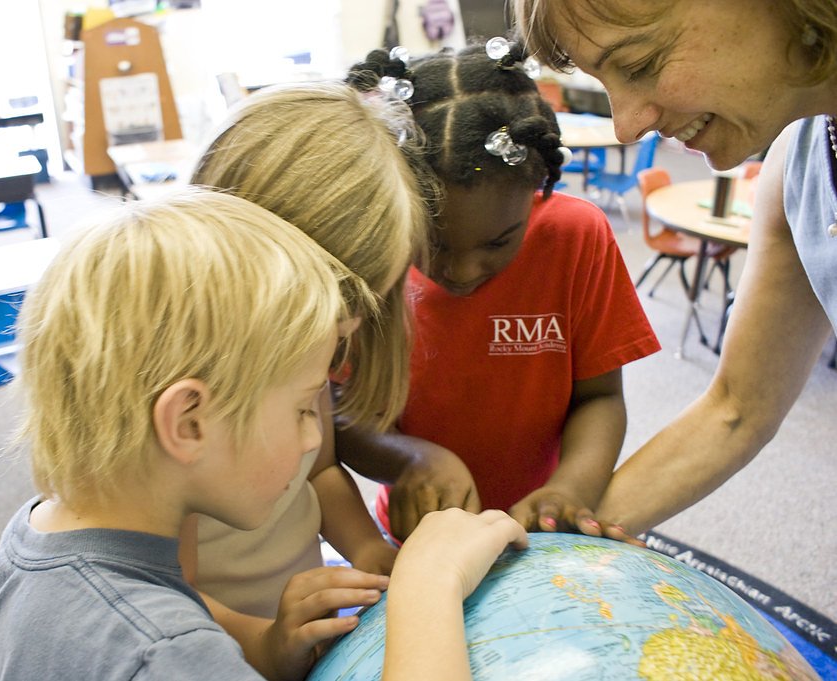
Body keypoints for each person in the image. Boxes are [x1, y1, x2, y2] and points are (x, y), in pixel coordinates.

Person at [0, 188, 528, 681]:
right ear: (189, 423)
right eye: (303, 408)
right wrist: (428, 584)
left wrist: (264, 650)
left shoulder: (33, 543)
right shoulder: (168, 656)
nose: (314, 440)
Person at [511, 0, 837, 539]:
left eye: (640, 64)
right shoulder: (800, 161)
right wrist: (552, 544)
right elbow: (736, 409)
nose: (626, 126)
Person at [337, 40, 661, 542]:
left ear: (535, 192)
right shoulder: (372, 259)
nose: (463, 271)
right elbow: (341, 415)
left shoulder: (577, 237)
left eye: (499, 242)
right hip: (424, 531)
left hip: (546, 529)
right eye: (434, 244)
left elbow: (600, 398)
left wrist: (572, 487)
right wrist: (410, 459)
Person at [180, 80, 435, 672]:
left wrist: (369, 549)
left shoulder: (296, 365)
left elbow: (317, 472)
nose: (330, 366)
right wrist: (267, 642)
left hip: (294, 636)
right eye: (335, 331)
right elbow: (164, 600)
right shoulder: (182, 416)